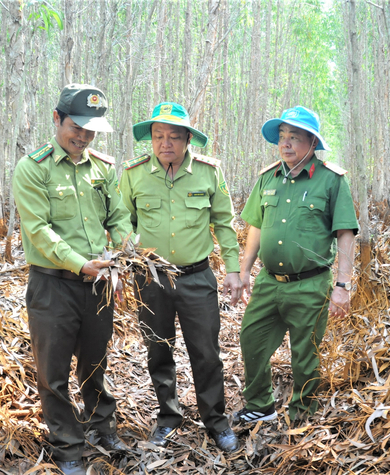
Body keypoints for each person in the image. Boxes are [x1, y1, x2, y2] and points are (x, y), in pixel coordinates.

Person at [13, 84, 132, 475]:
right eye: (76, 127)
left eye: (91, 130)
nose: (82, 136)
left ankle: (102, 427)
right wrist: (80, 263)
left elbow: (117, 216)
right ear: (57, 119)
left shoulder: (103, 167)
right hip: (53, 285)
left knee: (96, 362)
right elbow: (38, 231)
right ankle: (67, 445)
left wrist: (126, 245)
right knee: (54, 370)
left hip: (98, 284)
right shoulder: (33, 168)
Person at [119, 102, 242, 452]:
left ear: (188, 139)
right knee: (158, 351)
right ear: (151, 139)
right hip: (151, 279)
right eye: (158, 136)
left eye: (174, 136)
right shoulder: (134, 174)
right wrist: (128, 255)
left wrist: (232, 269)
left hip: (196, 278)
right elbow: (121, 221)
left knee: (206, 352)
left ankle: (216, 421)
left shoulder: (208, 172)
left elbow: (224, 224)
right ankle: (168, 416)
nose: (165, 143)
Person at [234, 106, 358, 424]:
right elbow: (256, 228)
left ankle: (302, 413)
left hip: (310, 283)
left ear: (313, 143)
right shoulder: (268, 178)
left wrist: (343, 285)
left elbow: (345, 233)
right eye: (282, 137)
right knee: (252, 338)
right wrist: (245, 271)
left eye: (295, 137)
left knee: (306, 354)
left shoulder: (331, 181)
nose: (285, 143)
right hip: (269, 282)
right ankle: (260, 406)